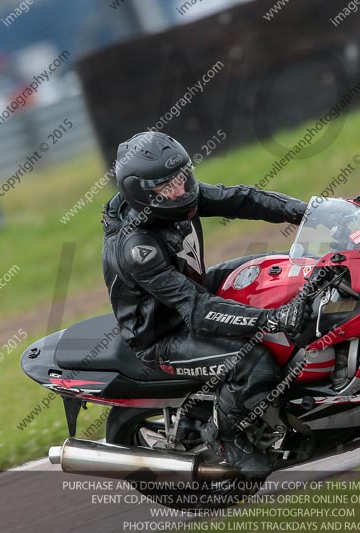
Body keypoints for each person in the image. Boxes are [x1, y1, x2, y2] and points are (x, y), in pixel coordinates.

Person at [101, 131, 312, 477]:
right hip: (165, 333)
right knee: (254, 362)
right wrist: (273, 319)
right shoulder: (137, 249)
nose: (181, 191)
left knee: (275, 269)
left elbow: (243, 199)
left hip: (192, 290)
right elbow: (198, 312)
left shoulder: (180, 197)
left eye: (183, 178)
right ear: (142, 193)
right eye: (168, 187)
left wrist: (306, 211)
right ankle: (223, 437)